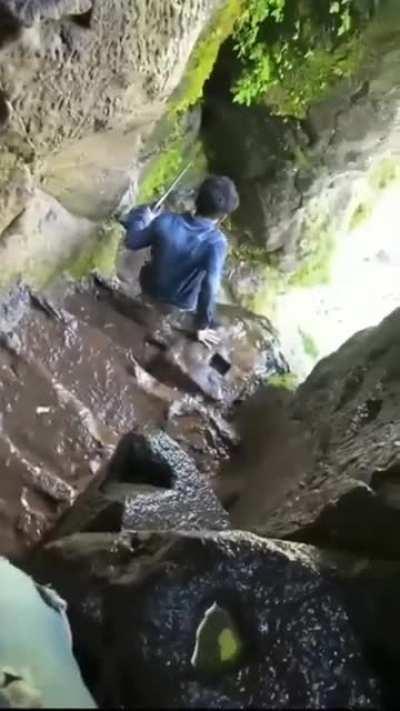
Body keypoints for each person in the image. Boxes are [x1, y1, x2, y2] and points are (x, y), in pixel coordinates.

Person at [120, 175, 239, 348]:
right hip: (181, 304)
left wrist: (143, 218)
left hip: (149, 287)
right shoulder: (216, 243)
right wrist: (202, 326)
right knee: (218, 323)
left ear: (196, 198)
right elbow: (211, 286)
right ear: (223, 217)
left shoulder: (165, 221)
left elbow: (131, 242)